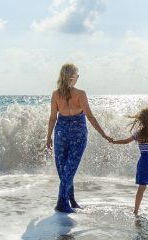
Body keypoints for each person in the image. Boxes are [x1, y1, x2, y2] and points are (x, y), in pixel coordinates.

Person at [46, 63, 112, 213]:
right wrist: (104, 134)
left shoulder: (56, 94)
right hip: (77, 133)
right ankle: (62, 203)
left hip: (61, 132)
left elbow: (52, 118)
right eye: (77, 75)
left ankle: (71, 200)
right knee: (67, 170)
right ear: (73, 77)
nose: (78, 77)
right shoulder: (80, 94)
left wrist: (48, 136)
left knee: (66, 170)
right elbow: (89, 116)